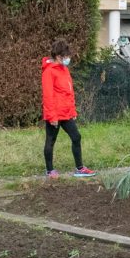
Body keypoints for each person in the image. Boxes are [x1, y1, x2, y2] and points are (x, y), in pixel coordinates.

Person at [41, 39, 95, 179]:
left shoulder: (64, 70)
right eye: (66, 56)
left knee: (76, 137)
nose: (68, 58)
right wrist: (52, 117)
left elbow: (68, 92)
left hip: (66, 113)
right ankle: (50, 171)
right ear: (58, 56)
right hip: (55, 114)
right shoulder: (49, 72)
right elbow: (48, 96)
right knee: (51, 141)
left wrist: (73, 111)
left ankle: (80, 168)